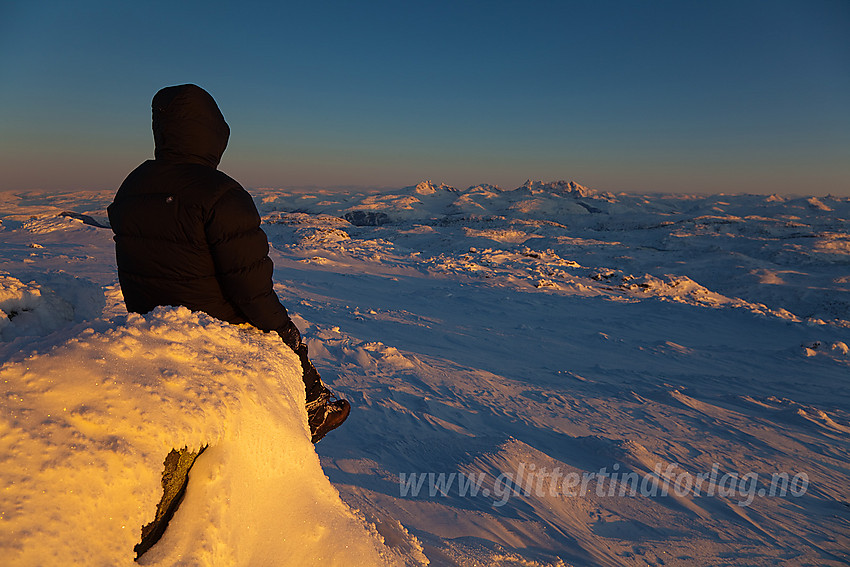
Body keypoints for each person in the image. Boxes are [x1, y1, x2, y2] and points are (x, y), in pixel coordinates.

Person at [107, 83, 350, 444]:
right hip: (214, 323)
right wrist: (284, 331)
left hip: (151, 317)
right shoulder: (221, 193)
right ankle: (314, 409)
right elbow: (249, 286)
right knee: (289, 339)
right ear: (214, 134)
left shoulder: (132, 185)